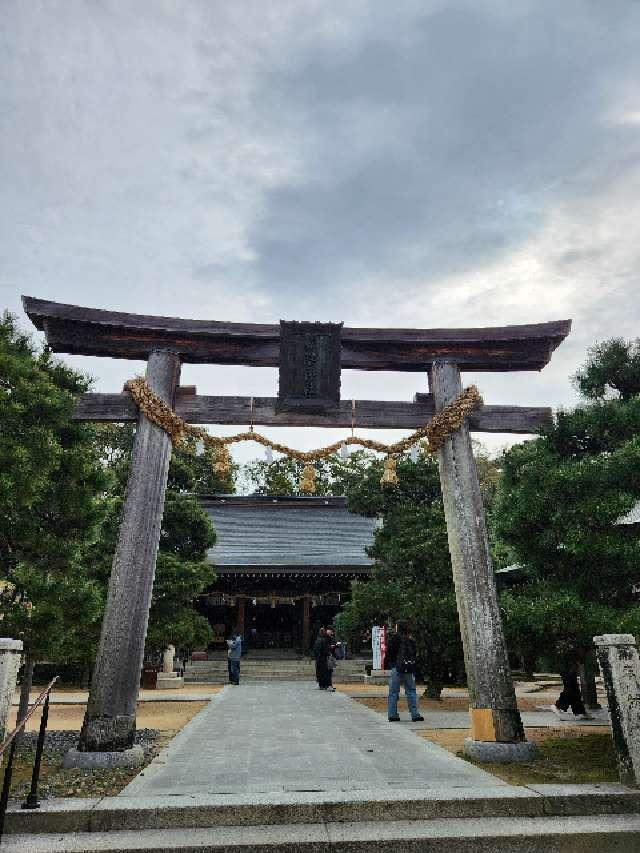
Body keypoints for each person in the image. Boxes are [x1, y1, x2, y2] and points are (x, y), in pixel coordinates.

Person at [386, 621, 424, 722]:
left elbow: (389, 653)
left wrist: (389, 664)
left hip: (396, 668)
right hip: (408, 668)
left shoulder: (394, 638)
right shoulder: (410, 639)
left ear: (398, 627)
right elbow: (414, 654)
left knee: (393, 692)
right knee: (411, 691)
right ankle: (415, 714)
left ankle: (392, 714)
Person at [313, 626, 336, 691]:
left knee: (325, 672)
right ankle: (325, 685)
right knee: (325, 672)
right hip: (324, 658)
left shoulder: (324, 639)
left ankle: (324, 685)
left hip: (324, 658)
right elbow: (324, 649)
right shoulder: (323, 639)